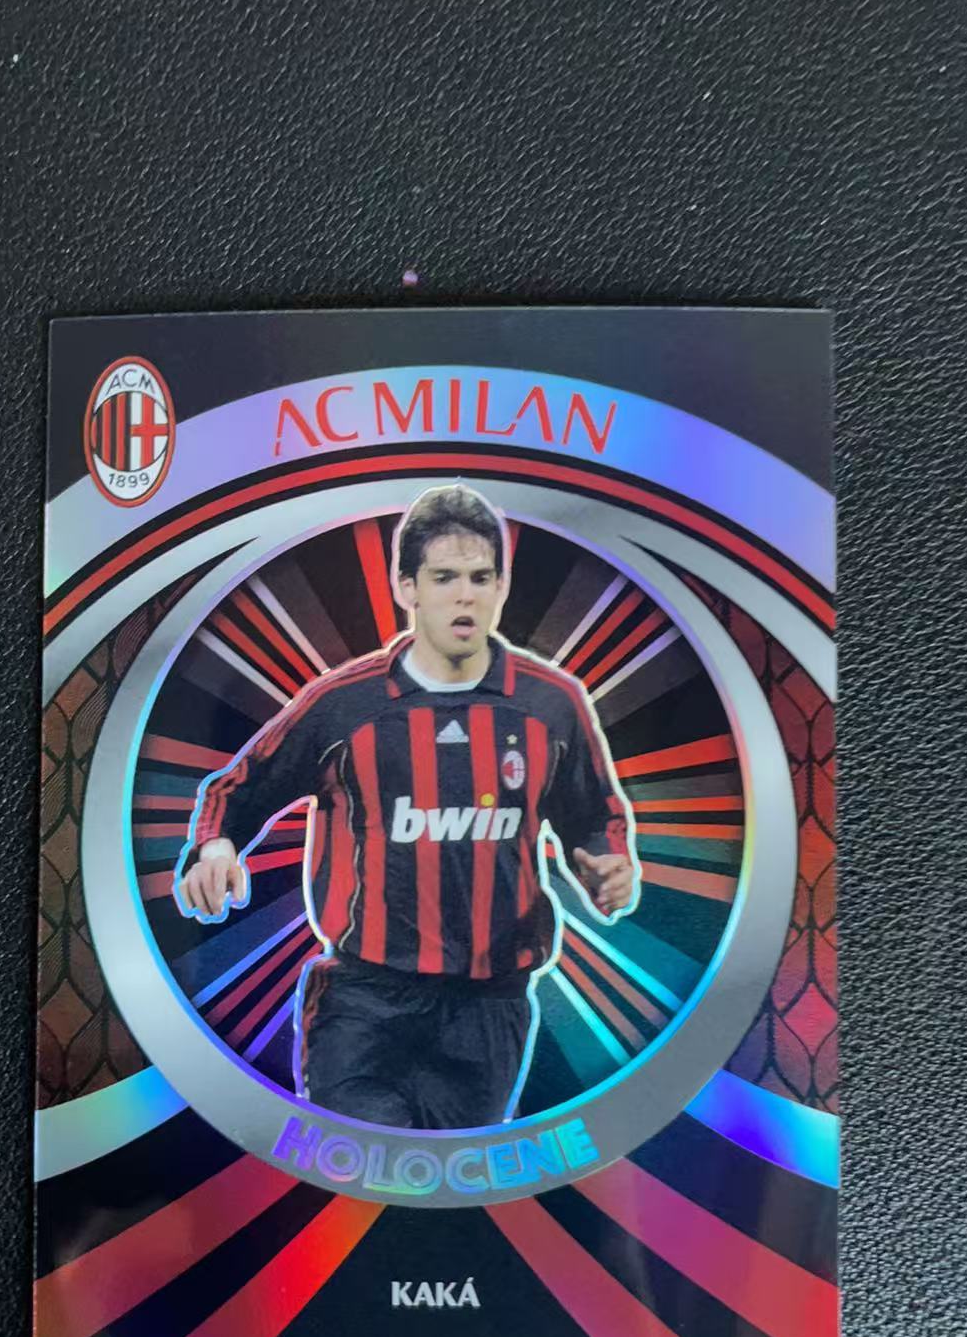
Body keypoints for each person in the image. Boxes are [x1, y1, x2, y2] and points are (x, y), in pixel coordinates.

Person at [175, 484, 637, 1129]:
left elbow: (593, 817)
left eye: (480, 577)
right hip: (366, 1002)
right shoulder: (346, 703)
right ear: (407, 587)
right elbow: (240, 786)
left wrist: (607, 864)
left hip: (490, 1006)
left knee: (455, 1179)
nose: (464, 595)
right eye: (444, 577)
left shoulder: (550, 704)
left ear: (502, 586)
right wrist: (216, 847)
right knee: (361, 1172)